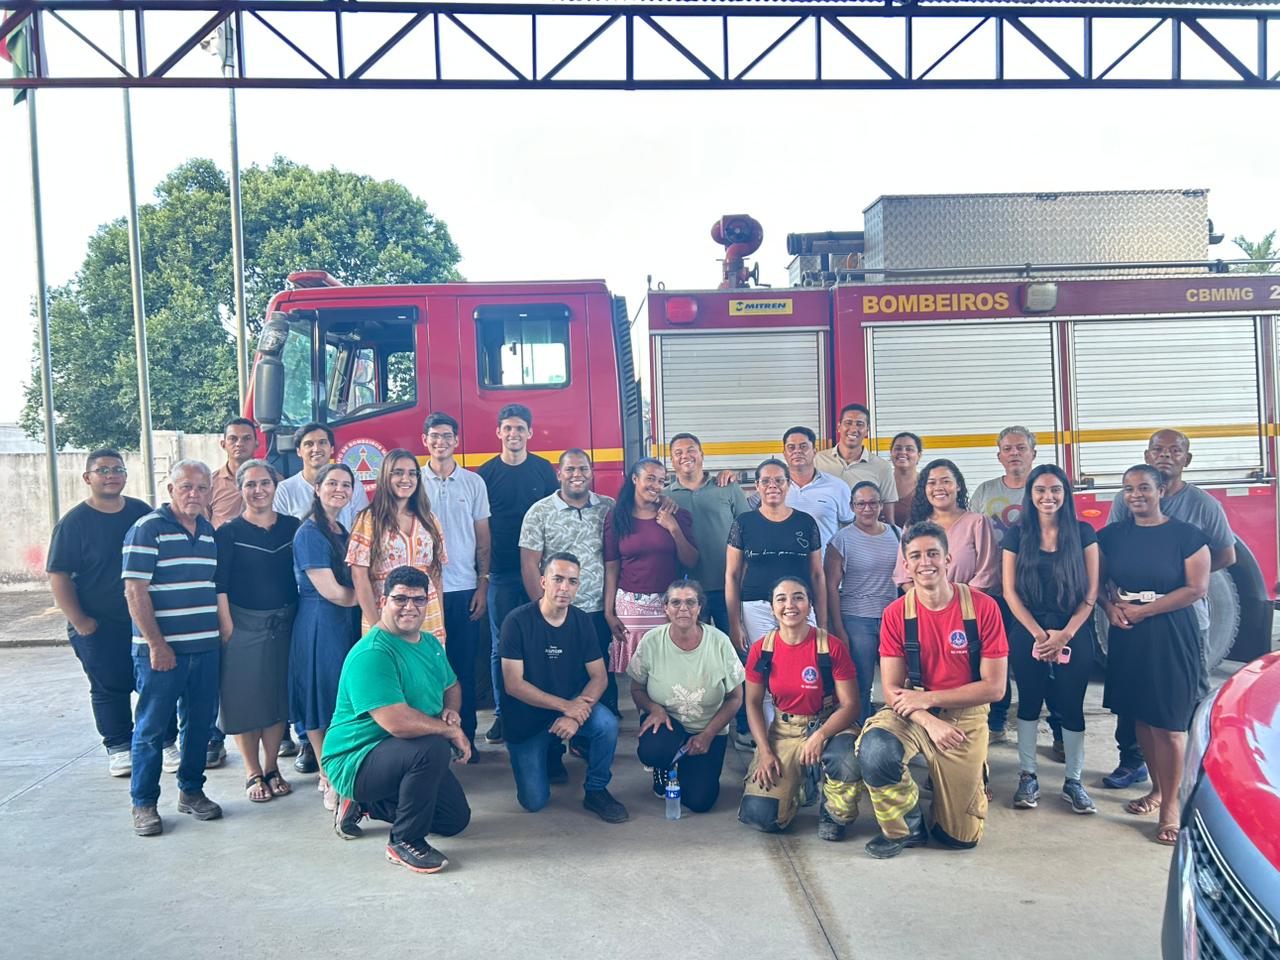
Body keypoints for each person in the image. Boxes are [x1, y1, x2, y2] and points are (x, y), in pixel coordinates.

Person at [857, 521, 1008, 858]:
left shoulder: (983, 607)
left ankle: (965, 780)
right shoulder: (896, 614)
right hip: (912, 712)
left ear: (948, 559)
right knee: (876, 750)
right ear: (906, 565)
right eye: (915, 556)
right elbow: (892, 690)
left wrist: (930, 700)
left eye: (932, 554)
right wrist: (929, 718)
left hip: (964, 716)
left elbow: (995, 688)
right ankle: (906, 827)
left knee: (959, 839)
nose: (925, 562)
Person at [1101, 429, 1236, 791]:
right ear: (1147, 456)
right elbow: (1115, 551)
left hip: (1183, 619)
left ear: (1186, 460)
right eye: (1158, 450)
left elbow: (1225, 556)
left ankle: (1196, 774)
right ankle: (1135, 765)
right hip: (1132, 621)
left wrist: (1182, 577)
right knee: (1135, 701)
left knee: (1183, 702)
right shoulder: (1125, 503)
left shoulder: (1203, 507)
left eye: (1174, 450)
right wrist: (1111, 603)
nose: (1165, 455)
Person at [322, 566, 472, 874]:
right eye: (400, 599)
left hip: (398, 752)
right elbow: (397, 723)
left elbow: (452, 686)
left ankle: (366, 804)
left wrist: (452, 713)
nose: (410, 607)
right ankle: (404, 841)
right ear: (383, 601)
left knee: (454, 820)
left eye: (418, 600)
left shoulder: (429, 643)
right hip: (356, 758)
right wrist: (450, 732)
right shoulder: (373, 653)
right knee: (432, 748)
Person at [1098, 464, 1209, 846]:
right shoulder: (1112, 536)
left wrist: (1144, 612)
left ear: (1161, 490)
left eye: (1144, 487)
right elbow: (1096, 581)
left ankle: (1171, 808)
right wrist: (1108, 608)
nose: (1136, 495)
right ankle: (1158, 790)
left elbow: (1196, 588)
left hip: (1171, 632)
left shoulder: (1186, 535)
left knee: (1170, 723)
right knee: (1141, 717)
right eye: (1128, 489)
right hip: (1129, 634)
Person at [122, 460, 224, 837]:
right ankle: (144, 803)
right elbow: (135, 591)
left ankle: (191, 791)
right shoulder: (147, 529)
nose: (194, 494)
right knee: (151, 729)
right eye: (186, 487)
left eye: (201, 487)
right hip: (162, 652)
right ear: (171, 490)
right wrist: (156, 644)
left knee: (199, 726)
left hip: (205, 648)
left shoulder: (208, 532)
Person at [47, 448, 154, 778]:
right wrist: (81, 622)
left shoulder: (140, 512)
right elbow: (58, 575)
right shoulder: (74, 523)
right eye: (103, 470)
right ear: (87, 477)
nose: (111, 475)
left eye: (117, 469)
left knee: (153, 682)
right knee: (109, 686)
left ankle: (162, 741)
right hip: (98, 623)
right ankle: (119, 746)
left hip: (141, 620)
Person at [500, 553, 629, 823]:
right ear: (543, 582)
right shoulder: (517, 621)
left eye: (572, 581)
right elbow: (513, 685)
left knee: (606, 724)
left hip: (568, 707)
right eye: (557, 579)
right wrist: (567, 707)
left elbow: (599, 677)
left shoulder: (582, 621)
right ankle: (547, 751)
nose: (564, 588)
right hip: (526, 718)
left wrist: (574, 715)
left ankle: (596, 789)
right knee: (534, 802)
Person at [1002, 464, 1099, 815]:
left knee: (1071, 706)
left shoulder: (1083, 533)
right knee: (1029, 703)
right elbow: (1010, 592)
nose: (1048, 496)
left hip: (1072, 629)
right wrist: (1039, 635)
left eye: (1055, 489)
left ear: (1065, 494)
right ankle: (1028, 776)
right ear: (1030, 495)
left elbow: (1090, 593)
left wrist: (1065, 635)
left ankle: (1074, 781)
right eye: (1040, 490)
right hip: (1029, 629)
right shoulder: (1017, 535)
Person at [738, 577, 862, 840]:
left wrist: (820, 735)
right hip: (785, 730)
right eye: (781, 599)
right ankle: (801, 787)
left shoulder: (831, 647)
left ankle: (833, 813)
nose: (790, 605)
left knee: (845, 758)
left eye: (798, 597)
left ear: (810, 605)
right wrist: (764, 751)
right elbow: (752, 703)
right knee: (760, 816)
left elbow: (851, 706)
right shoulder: (762, 650)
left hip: (828, 725)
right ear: (772, 607)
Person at [214, 459, 300, 803]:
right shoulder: (228, 532)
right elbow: (219, 585)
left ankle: (272, 766)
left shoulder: (292, 527)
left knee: (277, 698)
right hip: (243, 624)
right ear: (240, 489)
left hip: (285, 623)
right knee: (245, 698)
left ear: (275, 486)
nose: (258, 490)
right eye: (250, 484)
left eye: (265, 483)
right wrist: (227, 626)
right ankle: (252, 771)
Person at [476, 403, 559, 745]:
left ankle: (545, 709)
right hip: (502, 573)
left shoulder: (542, 470)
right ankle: (503, 714)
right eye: (508, 428)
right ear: (498, 432)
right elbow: (480, 527)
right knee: (501, 645)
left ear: (530, 433)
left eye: (520, 428)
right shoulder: (485, 474)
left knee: (544, 640)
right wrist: (482, 575)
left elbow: (555, 516)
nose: (514, 434)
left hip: (540, 573)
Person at [628, 579, 745, 812]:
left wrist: (708, 735)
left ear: (700, 607)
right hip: (667, 724)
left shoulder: (719, 642)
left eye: (690, 602)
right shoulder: (652, 641)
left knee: (699, 801)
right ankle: (664, 764)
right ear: (665, 608)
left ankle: (686, 763)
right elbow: (637, 688)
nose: (683, 608)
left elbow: (735, 698)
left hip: (707, 728)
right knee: (654, 750)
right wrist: (654, 709)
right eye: (675, 602)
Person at [518, 449, 618, 712]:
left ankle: (600, 723)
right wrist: (544, 610)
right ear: (559, 473)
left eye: (583, 468)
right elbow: (529, 564)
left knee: (600, 670)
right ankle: (561, 718)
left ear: (591, 472)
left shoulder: (608, 507)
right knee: (561, 671)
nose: (577, 474)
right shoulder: (539, 512)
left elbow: (616, 558)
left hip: (598, 609)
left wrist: (611, 608)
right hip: (559, 611)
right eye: (570, 469)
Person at [290, 463, 362, 810]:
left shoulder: (341, 529)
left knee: (342, 699)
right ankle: (328, 775)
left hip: (345, 623)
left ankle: (341, 769)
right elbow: (333, 592)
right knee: (321, 698)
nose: (339, 489)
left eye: (346, 485)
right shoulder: (309, 533)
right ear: (317, 489)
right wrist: (371, 597)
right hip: (321, 623)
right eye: (332, 483)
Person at [422, 412, 491, 754]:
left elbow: (483, 538)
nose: (441, 442)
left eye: (447, 436)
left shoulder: (473, 483)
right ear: (425, 441)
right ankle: (432, 740)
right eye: (434, 436)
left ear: (457, 441)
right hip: (424, 593)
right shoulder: (413, 481)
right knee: (428, 667)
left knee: (463, 666)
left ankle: (467, 738)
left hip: (464, 588)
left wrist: (482, 584)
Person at [967, 427, 1040, 748]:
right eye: (1008, 449)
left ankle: (1036, 723)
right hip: (992, 591)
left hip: (1034, 592)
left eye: (1021, 448)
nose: (1014, 454)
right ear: (999, 456)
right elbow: (969, 534)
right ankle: (997, 721)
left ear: (1033, 453)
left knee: (1031, 659)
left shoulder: (1042, 488)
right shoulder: (985, 491)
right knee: (995, 656)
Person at [725, 458, 826, 671]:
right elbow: (732, 576)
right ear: (757, 486)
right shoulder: (743, 523)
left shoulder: (806, 522)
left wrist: (823, 622)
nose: (773, 486)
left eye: (779, 480)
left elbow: (817, 575)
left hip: (799, 606)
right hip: (756, 608)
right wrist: (735, 625)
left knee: (805, 665)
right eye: (766, 481)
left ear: (788, 484)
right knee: (764, 669)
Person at [603, 458, 698, 675]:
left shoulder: (676, 515)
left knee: (669, 668)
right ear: (635, 479)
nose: (656, 485)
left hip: (668, 605)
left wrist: (674, 529)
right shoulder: (616, 517)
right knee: (638, 672)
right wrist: (609, 612)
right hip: (631, 608)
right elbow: (611, 568)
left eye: (661, 481)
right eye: (651, 479)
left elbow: (691, 561)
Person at [347, 449, 447, 640]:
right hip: (385, 615)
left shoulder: (429, 519)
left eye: (412, 473)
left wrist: (441, 620)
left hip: (427, 616)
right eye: (398, 472)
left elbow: (436, 574)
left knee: (424, 660)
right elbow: (359, 577)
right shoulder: (369, 519)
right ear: (386, 476)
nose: (406, 479)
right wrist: (378, 627)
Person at [825, 480, 900, 722]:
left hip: (892, 619)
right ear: (851, 507)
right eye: (861, 504)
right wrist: (839, 629)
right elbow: (830, 587)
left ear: (881, 505)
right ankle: (858, 731)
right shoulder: (841, 540)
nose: (867, 509)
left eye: (873, 503)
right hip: (857, 620)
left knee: (898, 682)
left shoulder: (898, 534)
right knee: (861, 684)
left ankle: (893, 730)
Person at [664, 432, 750, 634]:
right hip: (687, 592)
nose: (685, 456)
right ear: (672, 461)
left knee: (734, 645)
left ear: (702, 454)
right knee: (692, 647)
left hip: (728, 586)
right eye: (678, 453)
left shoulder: (727, 487)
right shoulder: (665, 496)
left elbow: (748, 532)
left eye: (691, 450)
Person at [894, 459, 998, 592]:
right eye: (932, 483)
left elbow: (985, 574)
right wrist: (928, 600)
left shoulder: (977, 523)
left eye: (946, 481)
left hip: (968, 601)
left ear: (958, 485)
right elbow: (903, 575)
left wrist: (959, 601)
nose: (939, 487)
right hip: (921, 602)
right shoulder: (913, 525)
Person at [273, 422, 370, 530]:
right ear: (299, 451)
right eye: (309, 444)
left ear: (332, 448)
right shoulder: (285, 490)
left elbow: (363, 530)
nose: (316, 449)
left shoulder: (354, 486)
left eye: (322, 442)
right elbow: (279, 532)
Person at [780, 426, 854, 552]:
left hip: (825, 562)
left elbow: (849, 530)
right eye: (791, 447)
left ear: (815, 451)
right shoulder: (773, 488)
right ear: (784, 454)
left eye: (803, 446)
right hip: (783, 562)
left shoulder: (837, 487)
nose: (797, 451)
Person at [814, 402, 898, 508]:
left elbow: (888, 512)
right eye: (848, 423)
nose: (853, 429)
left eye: (859, 424)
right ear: (839, 427)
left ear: (867, 430)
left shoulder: (882, 467)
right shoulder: (817, 460)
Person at [208, 417, 259, 529]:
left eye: (247, 438)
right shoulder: (209, 484)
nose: (239, 444)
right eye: (233, 439)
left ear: (256, 443)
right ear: (223, 444)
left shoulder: (274, 482)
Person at [888, 432, 922, 527]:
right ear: (891, 453)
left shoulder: (928, 485)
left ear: (919, 455)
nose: (903, 452)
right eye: (898, 448)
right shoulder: (882, 484)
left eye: (909, 449)